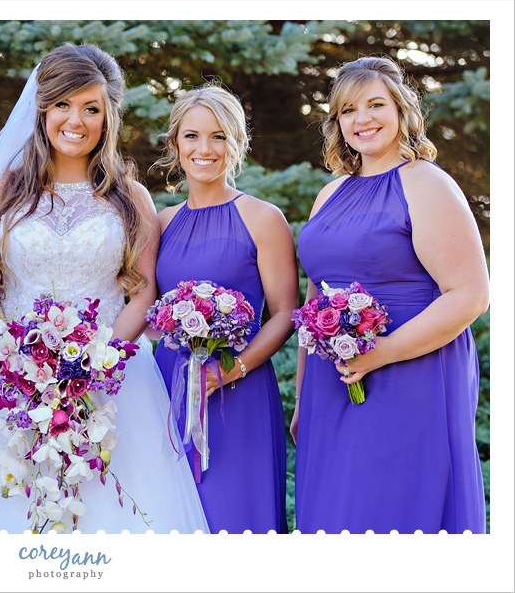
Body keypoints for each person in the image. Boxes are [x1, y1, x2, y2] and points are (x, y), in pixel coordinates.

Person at [0, 43, 208, 534]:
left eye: (92, 108)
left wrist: (99, 360)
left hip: (112, 382)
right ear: (42, 109)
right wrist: (15, 354)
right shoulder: (6, 190)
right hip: (12, 378)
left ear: (108, 116)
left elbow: (143, 291)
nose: (76, 120)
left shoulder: (131, 197)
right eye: (63, 104)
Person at [292, 56, 489, 533]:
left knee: (392, 508)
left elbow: (470, 294)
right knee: (336, 513)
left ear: (401, 109)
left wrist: (384, 351)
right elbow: (314, 300)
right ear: (337, 122)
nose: (362, 119)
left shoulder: (427, 183)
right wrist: (302, 395)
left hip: (411, 371)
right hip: (331, 379)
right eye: (348, 110)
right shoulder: (330, 194)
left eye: (375, 104)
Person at [150, 85, 297, 533]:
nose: (205, 149)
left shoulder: (262, 217)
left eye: (218, 136)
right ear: (176, 144)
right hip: (169, 387)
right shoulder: (162, 222)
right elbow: (146, 312)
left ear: (236, 143)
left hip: (239, 390)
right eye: (192, 136)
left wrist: (231, 370)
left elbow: (286, 313)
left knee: (235, 517)